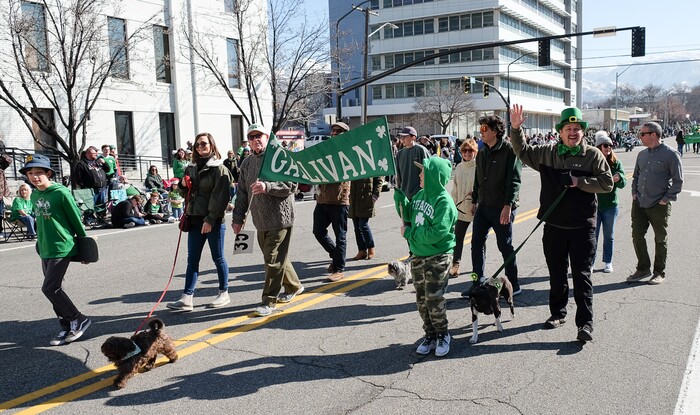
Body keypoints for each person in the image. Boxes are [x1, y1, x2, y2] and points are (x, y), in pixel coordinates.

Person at [510, 105, 613, 343]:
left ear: (582, 131)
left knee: (582, 276)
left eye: (577, 128)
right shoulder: (548, 153)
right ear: (561, 131)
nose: (573, 132)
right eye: (569, 128)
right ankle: (558, 313)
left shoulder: (592, 155)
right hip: (554, 227)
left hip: (582, 228)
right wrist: (516, 128)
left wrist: (580, 181)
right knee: (556, 275)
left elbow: (607, 183)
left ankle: (585, 323)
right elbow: (523, 152)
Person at [231, 124, 303, 317]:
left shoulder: (280, 157)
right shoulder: (246, 164)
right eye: (251, 137)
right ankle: (294, 286)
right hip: (260, 219)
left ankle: (269, 301)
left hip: (281, 217)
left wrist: (267, 186)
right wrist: (237, 219)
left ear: (267, 137)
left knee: (272, 259)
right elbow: (243, 194)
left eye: (259, 136)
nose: (255, 140)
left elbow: (291, 185)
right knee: (275, 258)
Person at [20, 154, 91, 346]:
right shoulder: (34, 194)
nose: (34, 177)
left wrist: (85, 248)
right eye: (30, 173)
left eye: (39, 173)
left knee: (50, 288)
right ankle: (66, 326)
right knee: (54, 290)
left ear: (49, 173)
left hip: (62, 246)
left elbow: (76, 219)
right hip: (45, 247)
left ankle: (79, 318)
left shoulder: (61, 193)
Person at [394, 157, 457, 357]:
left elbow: (437, 232)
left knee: (434, 298)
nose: (420, 175)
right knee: (421, 299)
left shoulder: (443, 201)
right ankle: (429, 334)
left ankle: (442, 334)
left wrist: (410, 234)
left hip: (438, 256)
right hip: (418, 256)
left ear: (434, 176)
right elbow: (408, 214)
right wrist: (400, 199)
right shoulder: (420, 195)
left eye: (424, 172)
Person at [166, 133, 233, 311]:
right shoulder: (191, 167)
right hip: (194, 219)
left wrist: (210, 219)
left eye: (203, 144)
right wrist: (182, 186)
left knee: (218, 257)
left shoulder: (219, 168)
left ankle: (223, 293)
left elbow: (221, 197)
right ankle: (187, 297)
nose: (200, 147)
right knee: (192, 259)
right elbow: (183, 193)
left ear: (211, 145)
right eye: (197, 145)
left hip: (213, 221)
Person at [467, 115, 523, 297]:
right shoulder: (482, 151)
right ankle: (477, 280)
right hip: (484, 206)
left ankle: (513, 283)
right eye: (481, 129)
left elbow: (514, 180)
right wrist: (475, 199)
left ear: (495, 131)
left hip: (502, 207)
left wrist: (508, 205)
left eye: (484, 129)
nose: (481, 132)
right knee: (476, 244)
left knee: (504, 246)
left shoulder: (509, 150)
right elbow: (478, 178)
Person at [627, 122, 683, 285]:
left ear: (653, 135)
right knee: (637, 235)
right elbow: (636, 176)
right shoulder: (642, 154)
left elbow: (678, 181)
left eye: (642, 134)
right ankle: (643, 268)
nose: (640, 136)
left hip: (659, 204)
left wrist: (666, 199)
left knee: (660, 238)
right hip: (640, 202)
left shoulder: (671, 155)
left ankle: (659, 272)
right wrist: (634, 192)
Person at [313, 122, 351, 282]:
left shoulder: (348, 151)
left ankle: (339, 268)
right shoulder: (325, 149)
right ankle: (336, 256)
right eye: (333, 131)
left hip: (339, 200)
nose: (334, 133)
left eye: (339, 131)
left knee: (340, 236)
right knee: (318, 231)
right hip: (322, 199)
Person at [593, 131, 626, 273]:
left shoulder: (615, 162)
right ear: (598, 147)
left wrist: (619, 178)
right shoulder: (592, 162)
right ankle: (591, 262)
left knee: (609, 235)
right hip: (594, 205)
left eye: (610, 146)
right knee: (592, 236)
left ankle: (608, 261)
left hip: (610, 206)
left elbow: (623, 182)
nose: (608, 148)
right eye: (605, 145)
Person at [449, 139, 478, 277]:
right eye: (464, 150)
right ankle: (456, 265)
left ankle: (477, 268)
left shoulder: (479, 167)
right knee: (458, 238)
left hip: (476, 208)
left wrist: (477, 202)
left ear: (475, 152)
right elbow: (454, 189)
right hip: (461, 208)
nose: (467, 153)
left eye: (470, 150)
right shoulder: (459, 167)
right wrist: (453, 206)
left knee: (478, 240)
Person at [348, 166, 383, 261]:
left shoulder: (370, 161)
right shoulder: (353, 161)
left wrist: (375, 195)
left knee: (363, 225)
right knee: (356, 227)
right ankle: (362, 250)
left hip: (366, 198)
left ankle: (371, 248)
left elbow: (379, 179)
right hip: (354, 199)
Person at [0, 152, 11, 235]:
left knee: (0, 214)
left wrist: (1, 154)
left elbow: (9, 160)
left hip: (0, 195)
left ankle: (0, 231)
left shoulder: (1, 167)